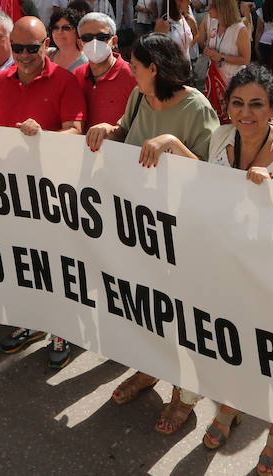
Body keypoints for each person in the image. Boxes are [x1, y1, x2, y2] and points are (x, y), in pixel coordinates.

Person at [160, 65, 273, 472]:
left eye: (257, 105)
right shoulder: (221, 137)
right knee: (233, 346)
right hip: (229, 266)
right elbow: (211, 187)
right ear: (226, 106)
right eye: (238, 103)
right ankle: (229, 409)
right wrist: (175, 144)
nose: (246, 113)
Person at [86, 33, 220, 435]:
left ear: (154, 69)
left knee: (184, 316)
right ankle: (149, 369)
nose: (131, 73)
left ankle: (185, 397)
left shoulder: (197, 108)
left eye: (135, 66)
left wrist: (173, 143)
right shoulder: (140, 98)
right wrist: (106, 130)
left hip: (183, 231)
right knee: (148, 307)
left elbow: (214, 177)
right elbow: (127, 134)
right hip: (142, 225)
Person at [0, 15, 84, 368]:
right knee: (22, 262)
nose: (24, 55)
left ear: (46, 46)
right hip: (11, 191)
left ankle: (61, 330)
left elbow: (76, 132)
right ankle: (31, 322)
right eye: (18, 47)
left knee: (55, 264)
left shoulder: (65, 81)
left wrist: (43, 136)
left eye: (32, 47)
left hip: (53, 192)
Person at [72, 12, 136, 128]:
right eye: (87, 38)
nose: (94, 42)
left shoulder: (133, 76)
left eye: (102, 37)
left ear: (114, 41)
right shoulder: (77, 75)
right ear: (80, 44)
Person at [204, 0, 252, 113]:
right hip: (214, 79)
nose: (208, 9)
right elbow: (209, 43)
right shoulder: (213, 23)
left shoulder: (239, 29)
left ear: (221, 9)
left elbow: (246, 60)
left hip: (233, 82)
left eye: (211, 6)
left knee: (232, 117)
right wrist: (207, 51)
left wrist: (221, 57)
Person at [47, 7, 88, 73]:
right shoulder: (47, 55)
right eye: (55, 28)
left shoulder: (87, 62)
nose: (59, 32)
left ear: (78, 31)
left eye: (66, 28)